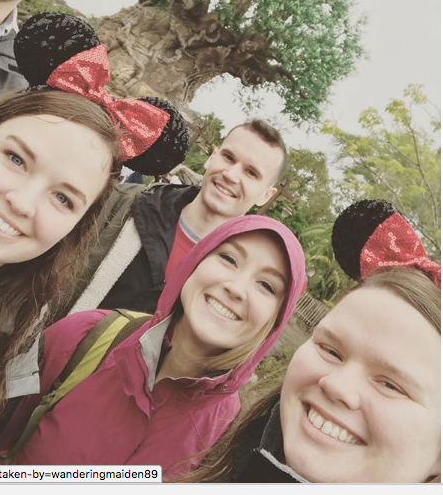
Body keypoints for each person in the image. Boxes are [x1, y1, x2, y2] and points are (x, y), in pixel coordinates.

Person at [0, 13, 187, 460]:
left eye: (63, 198)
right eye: (16, 159)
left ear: (77, 226)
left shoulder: (9, 361)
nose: (22, 203)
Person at [0, 215, 307, 476]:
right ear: (196, 261)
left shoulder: (230, 437)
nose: (236, 288)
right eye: (228, 258)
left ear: (275, 321)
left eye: (266, 285)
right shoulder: (87, 335)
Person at [184, 200, 441, 483]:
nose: (336, 385)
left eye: (391, 385)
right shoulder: (212, 463)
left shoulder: (215, 421)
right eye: (331, 351)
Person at [67, 117, 288, 316]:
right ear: (212, 158)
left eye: (251, 173)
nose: (231, 175)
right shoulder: (124, 204)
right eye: (228, 157)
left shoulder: (238, 279)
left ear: (266, 195)